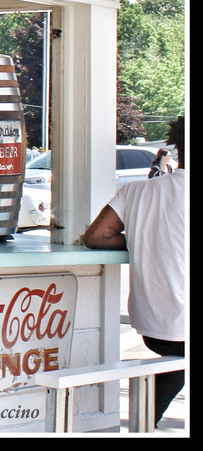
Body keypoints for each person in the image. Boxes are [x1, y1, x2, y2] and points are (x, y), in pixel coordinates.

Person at [84, 116, 185, 428]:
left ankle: (145, 422)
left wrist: (146, 238)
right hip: (182, 328)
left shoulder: (136, 191)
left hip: (153, 326)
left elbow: (96, 236)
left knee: (173, 374)